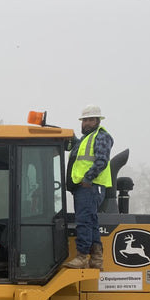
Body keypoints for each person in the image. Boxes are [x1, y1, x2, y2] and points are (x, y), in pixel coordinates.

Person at [66, 105, 113, 269]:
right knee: (91, 221)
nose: (86, 123)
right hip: (83, 187)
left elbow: (102, 160)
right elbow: (72, 148)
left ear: (98, 121)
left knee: (84, 221)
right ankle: (96, 259)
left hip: (90, 186)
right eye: (84, 120)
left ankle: (82, 257)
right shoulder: (85, 140)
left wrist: (88, 178)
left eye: (90, 120)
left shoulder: (101, 136)